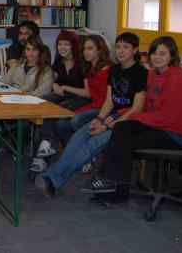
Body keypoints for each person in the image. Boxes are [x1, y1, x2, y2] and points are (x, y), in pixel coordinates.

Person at [84, 36, 182, 202]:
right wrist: (122, 114)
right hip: (164, 127)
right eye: (154, 53)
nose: (157, 57)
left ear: (172, 56)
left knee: (123, 134)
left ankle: (113, 186)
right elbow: (146, 106)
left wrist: (133, 117)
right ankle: (113, 186)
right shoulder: (154, 74)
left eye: (163, 53)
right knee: (122, 128)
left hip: (181, 135)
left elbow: (166, 117)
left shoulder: (179, 80)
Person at [35, 32, 147, 198]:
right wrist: (99, 119)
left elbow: (136, 109)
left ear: (135, 50)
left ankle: (52, 178)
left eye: (126, 47)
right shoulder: (115, 70)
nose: (121, 51)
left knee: (92, 144)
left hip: (127, 121)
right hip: (111, 115)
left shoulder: (141, 72)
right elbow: (109, 101)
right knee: (79, 136)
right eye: (118, 47)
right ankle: (53, 178)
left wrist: (106, 125)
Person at [31, 34, 112, 173]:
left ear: (100, 50)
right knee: (47, 105)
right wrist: (56, 85)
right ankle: (48, 147)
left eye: (90, 48)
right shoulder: (86, 65)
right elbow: (55, 79)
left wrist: (65, 88)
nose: (86, 52)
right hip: (82, 100)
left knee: (63, 116)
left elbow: (91, 94)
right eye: (85, 49)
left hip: (91, 102)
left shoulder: (87, 65)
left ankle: (57, 150)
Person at [42, 31, 91, 110]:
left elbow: (88, 93)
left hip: (80, 97)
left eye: (66, 44)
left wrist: (65, 88)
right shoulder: (59, 61)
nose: (62, 47)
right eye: (60, 44)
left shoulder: (83, 63)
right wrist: (54, 85)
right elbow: (53, 79)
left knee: (62, 107)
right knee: (43, 101)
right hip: (63, 95)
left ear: (74, 46)